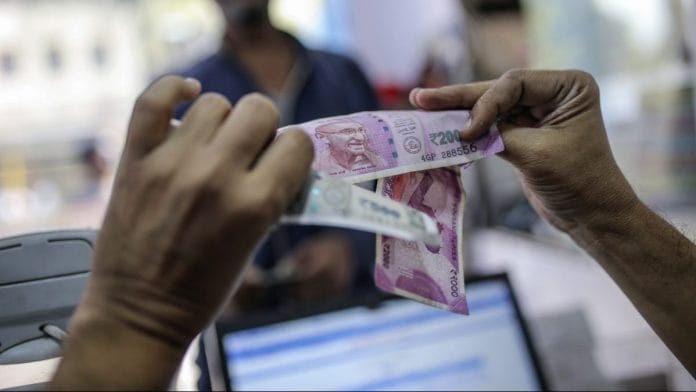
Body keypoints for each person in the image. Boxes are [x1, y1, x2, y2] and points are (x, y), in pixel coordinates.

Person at [49, 70, 696, 389]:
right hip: (251, 326)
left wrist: (133, 323)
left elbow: (385, 202)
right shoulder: (192, 72)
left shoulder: (336, 69)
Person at [174, 0, 381, 310]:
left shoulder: (344, 76)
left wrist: (352, 249)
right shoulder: (185, 98)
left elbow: (398, 193)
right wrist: (214, 278)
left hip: (357, 312)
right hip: (247, 333)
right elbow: (171, 231)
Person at [314, 120, 387, 175]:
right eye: (348, 132)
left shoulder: (379, 161)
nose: (360, 138)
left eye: (361, 130)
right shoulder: (315, 165)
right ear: (323, 137)